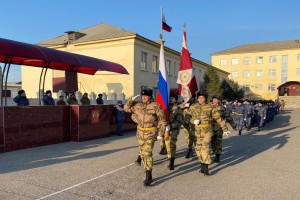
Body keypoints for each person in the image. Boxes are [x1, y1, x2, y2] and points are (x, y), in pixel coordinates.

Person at [124, 88, 167, 186]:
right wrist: (131, 101)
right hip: (140, 133)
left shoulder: (156, 106)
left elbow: (162, 120)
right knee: (142, 153)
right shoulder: (137, 105)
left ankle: (148, 175)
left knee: (147, 153)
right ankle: (147, 169)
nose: (143, 98)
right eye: (142, 96)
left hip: (150, 133)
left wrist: (161, 133)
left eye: (146, 96)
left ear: (150, 97)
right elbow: (126, 108)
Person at [188, 91, 230, 176]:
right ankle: (202, 165)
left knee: (205, 147)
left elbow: (218, 118)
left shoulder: (210, 107)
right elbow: (187, 117)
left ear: (205, 98)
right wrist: (193, 121)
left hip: (207, 130)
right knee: (198, 148)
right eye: (199, 97)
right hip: (198, 131)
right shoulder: (193, 107)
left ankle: (206, 167)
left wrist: (225, 129)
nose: (201, 99)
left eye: (202, 98)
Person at [211, 95, 236, 163]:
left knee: (218, 141)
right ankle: (215, 152)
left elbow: (228, 116)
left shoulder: (222, 108)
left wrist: (233, 125)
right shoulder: (209, 107)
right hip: (210, 127)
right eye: (213, 99)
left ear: (218, 100)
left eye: (216, 99)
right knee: (212, 142)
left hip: (219, 127)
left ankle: (217, 156)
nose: (214, 100)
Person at [164, 94, 184, 170]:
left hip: (174, 129)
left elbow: (180, 121)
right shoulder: (166, 107)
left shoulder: (178, 108)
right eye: (170, 98)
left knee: (172, 144)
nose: (170, 99)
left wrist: (171, 126)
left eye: (172, 98)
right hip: (166, 129)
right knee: (167, 144)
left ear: (175, 99)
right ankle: (170, 157)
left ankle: (172, 162)